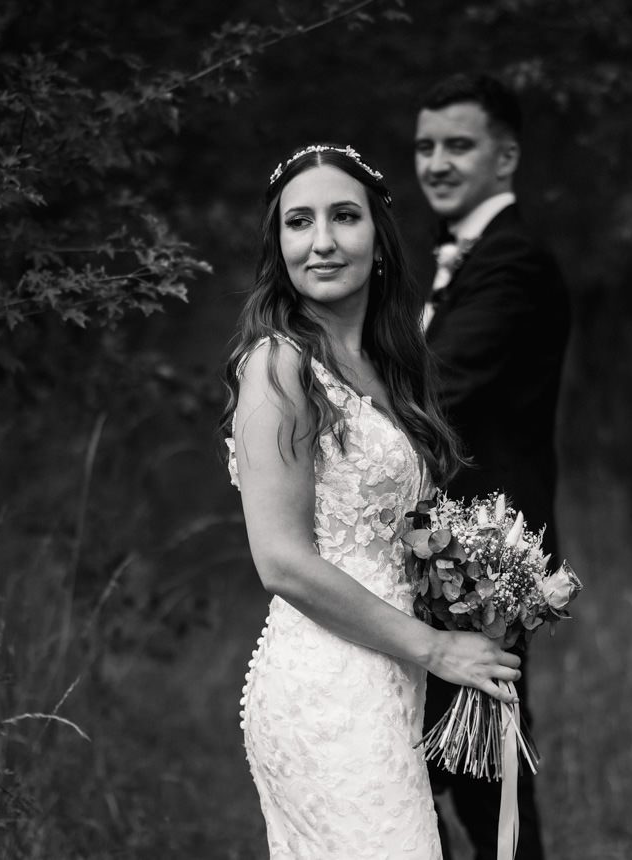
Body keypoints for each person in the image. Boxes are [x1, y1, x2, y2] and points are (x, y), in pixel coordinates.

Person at [221, 142, 524, 860]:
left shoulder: (389, 364)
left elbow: (400, 534)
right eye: (299, 222)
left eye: (344, 217)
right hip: (327, 687)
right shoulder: (279, 366)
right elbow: (282, 561)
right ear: (279, 247)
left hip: (390, 679)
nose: (322, 241)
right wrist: (437, 647)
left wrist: (479, 600)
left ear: (379, 240)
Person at [414, 73, 570, 860]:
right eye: (425, 146)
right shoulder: (467, 257)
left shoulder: (515, 262)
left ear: (505, 157)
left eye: (458, 145)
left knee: (479, 776)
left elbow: (438, 387)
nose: (436, 163)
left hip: (481, 568)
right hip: (450, 561)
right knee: (458, 772)